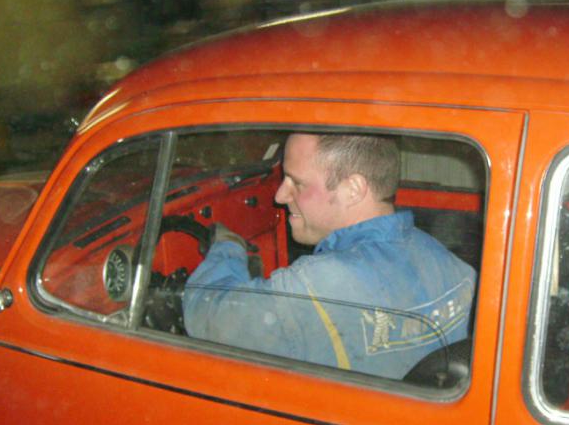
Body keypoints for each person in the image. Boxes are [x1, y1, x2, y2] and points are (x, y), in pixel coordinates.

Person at [182, 133, 476, 380]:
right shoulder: (448, 262)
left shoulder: (319, 285)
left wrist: (228, 247)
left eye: (296, 183)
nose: (280, 196)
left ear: (353, 189)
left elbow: (205, 315)